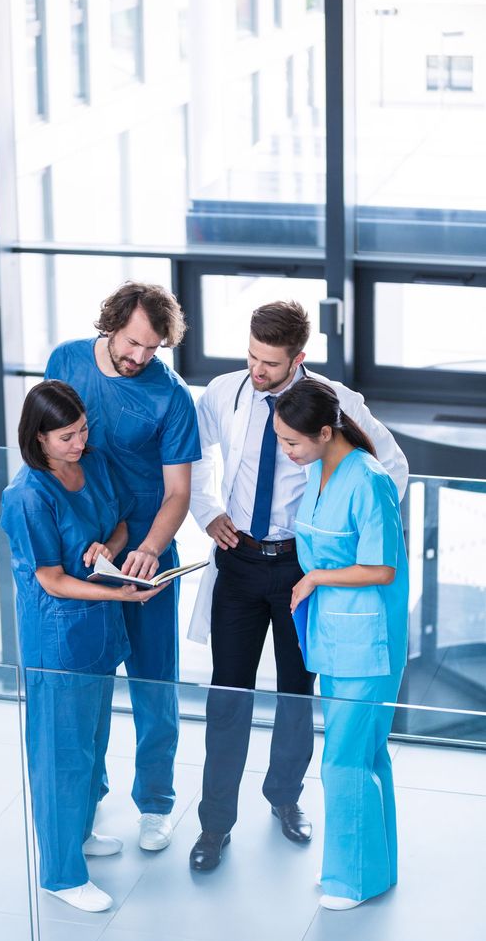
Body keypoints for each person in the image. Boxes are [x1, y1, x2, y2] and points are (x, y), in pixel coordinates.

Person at [187, 301, 408, 872]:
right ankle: (214, 824)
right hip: (237, 559)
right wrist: (208, 511)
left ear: (299, 358)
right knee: (227, 695)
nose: (258, 371)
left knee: (294, 692)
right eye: (253, 357)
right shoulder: (224, 391)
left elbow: (392, 467)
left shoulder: (333, 402)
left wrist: (343, 532)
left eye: (271, 363)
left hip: (298, 567)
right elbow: (191, 454)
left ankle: (285, 797)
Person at [0, 381, 167, 913]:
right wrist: (120, 590)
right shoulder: (27, 495)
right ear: (39, 439)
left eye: (83, 431)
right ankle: (60, 872)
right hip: (59, 641)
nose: (79, 442)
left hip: (98, 632)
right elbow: (51, 579)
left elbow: (117, 525)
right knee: (60, 756)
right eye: (67, 436)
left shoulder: (90, 465)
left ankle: (78, 835)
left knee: (91, 745)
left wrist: (110, 548)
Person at [45, 282, 201, 852]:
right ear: (111, 323)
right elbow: (45, 445)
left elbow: (178, 492)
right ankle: (84, 807)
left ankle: (156, 803)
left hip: (144, 555)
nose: (139, 357)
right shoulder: (64, 360)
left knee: (154, 683)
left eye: (152, 349)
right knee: (86, 687)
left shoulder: (172, 398)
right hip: (82, 554)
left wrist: (151, 548)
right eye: (133, 343)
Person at [275, 378, 409, 909]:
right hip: (336, 633)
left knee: (344, 760)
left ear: (325, 432)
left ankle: (351, 879)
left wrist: (314, 580)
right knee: (366, 754)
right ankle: (370, 867)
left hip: (367, 639)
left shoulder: (369, 481)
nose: (286, 451)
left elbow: (381, 568)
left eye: (292, 442)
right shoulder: (321, 471)